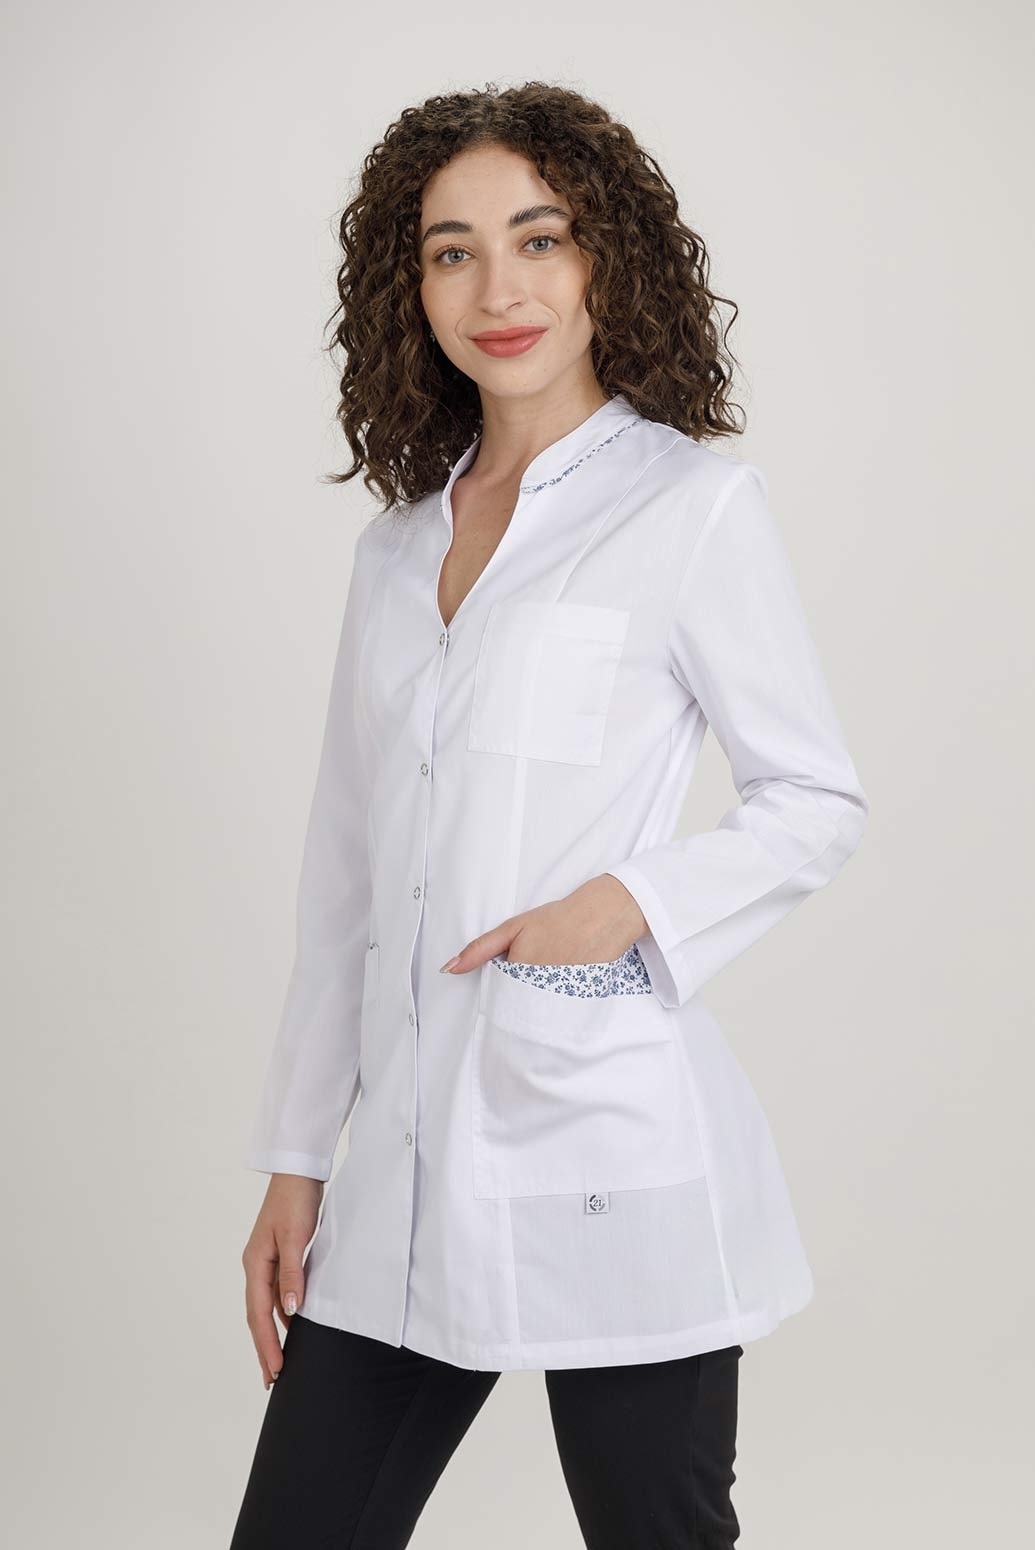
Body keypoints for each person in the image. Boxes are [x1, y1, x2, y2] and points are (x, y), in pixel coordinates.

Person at [230, 81, 868, 1550]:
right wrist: (297, 1156)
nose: (498, 290)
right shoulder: (397, 550)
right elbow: (345, 881)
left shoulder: (688, 508)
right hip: (403, 1165)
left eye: (539, 238)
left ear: (604, 260)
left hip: (603, 1141)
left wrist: (625, 904)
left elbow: (814, 799)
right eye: (451, 252)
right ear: (412, 289)